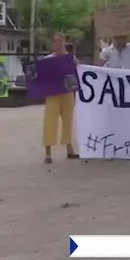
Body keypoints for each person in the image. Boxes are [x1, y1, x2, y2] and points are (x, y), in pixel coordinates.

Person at [42, 33, 78, 163]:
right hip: (52, 93)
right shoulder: (47, 59)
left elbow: (78, 73)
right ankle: (47, 152)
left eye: (60, 41)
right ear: (52, 44)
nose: (58, 43)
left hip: (67, 93)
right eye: (55, 41)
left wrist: (76, 64)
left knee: (68, 120)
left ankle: (69, 148)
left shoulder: (71, 58)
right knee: (50, 121)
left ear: (64, 42)